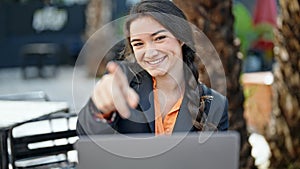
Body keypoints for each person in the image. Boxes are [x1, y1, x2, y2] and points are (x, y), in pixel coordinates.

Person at [76, 0, 228, 136]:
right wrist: (99, 110)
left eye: (159, 38)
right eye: (138, 43)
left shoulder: (214, 105)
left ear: (181, 38)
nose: (150, 52)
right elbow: (86, 134)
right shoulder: (123, 82)